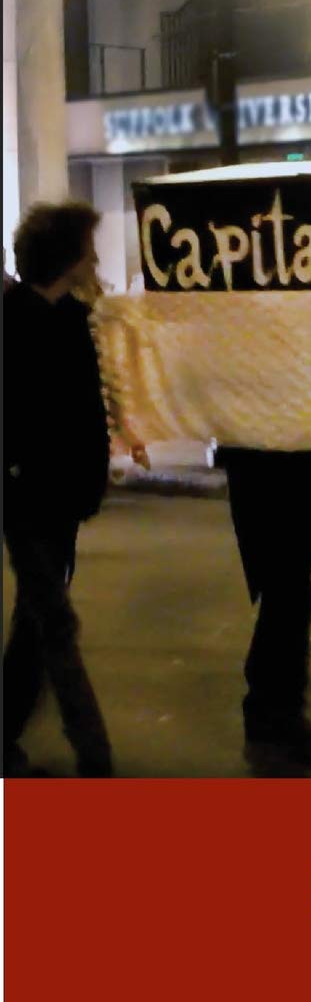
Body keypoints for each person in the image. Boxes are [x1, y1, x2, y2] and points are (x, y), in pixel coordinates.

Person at [3, 201, 114, 778]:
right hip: (25, 497)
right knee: (55, 622)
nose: (94, 259)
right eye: (87, 250)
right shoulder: (12, 322)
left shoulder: (74, 318)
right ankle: (95, 755)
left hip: (65, 496)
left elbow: (86, 413)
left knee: (36, 622)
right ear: (66, 256)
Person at [217, 445, 311, 772]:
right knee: (288, 594)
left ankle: (276, 711)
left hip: (274, 466)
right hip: (281, 466)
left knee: (288, 593)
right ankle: (274, 714)